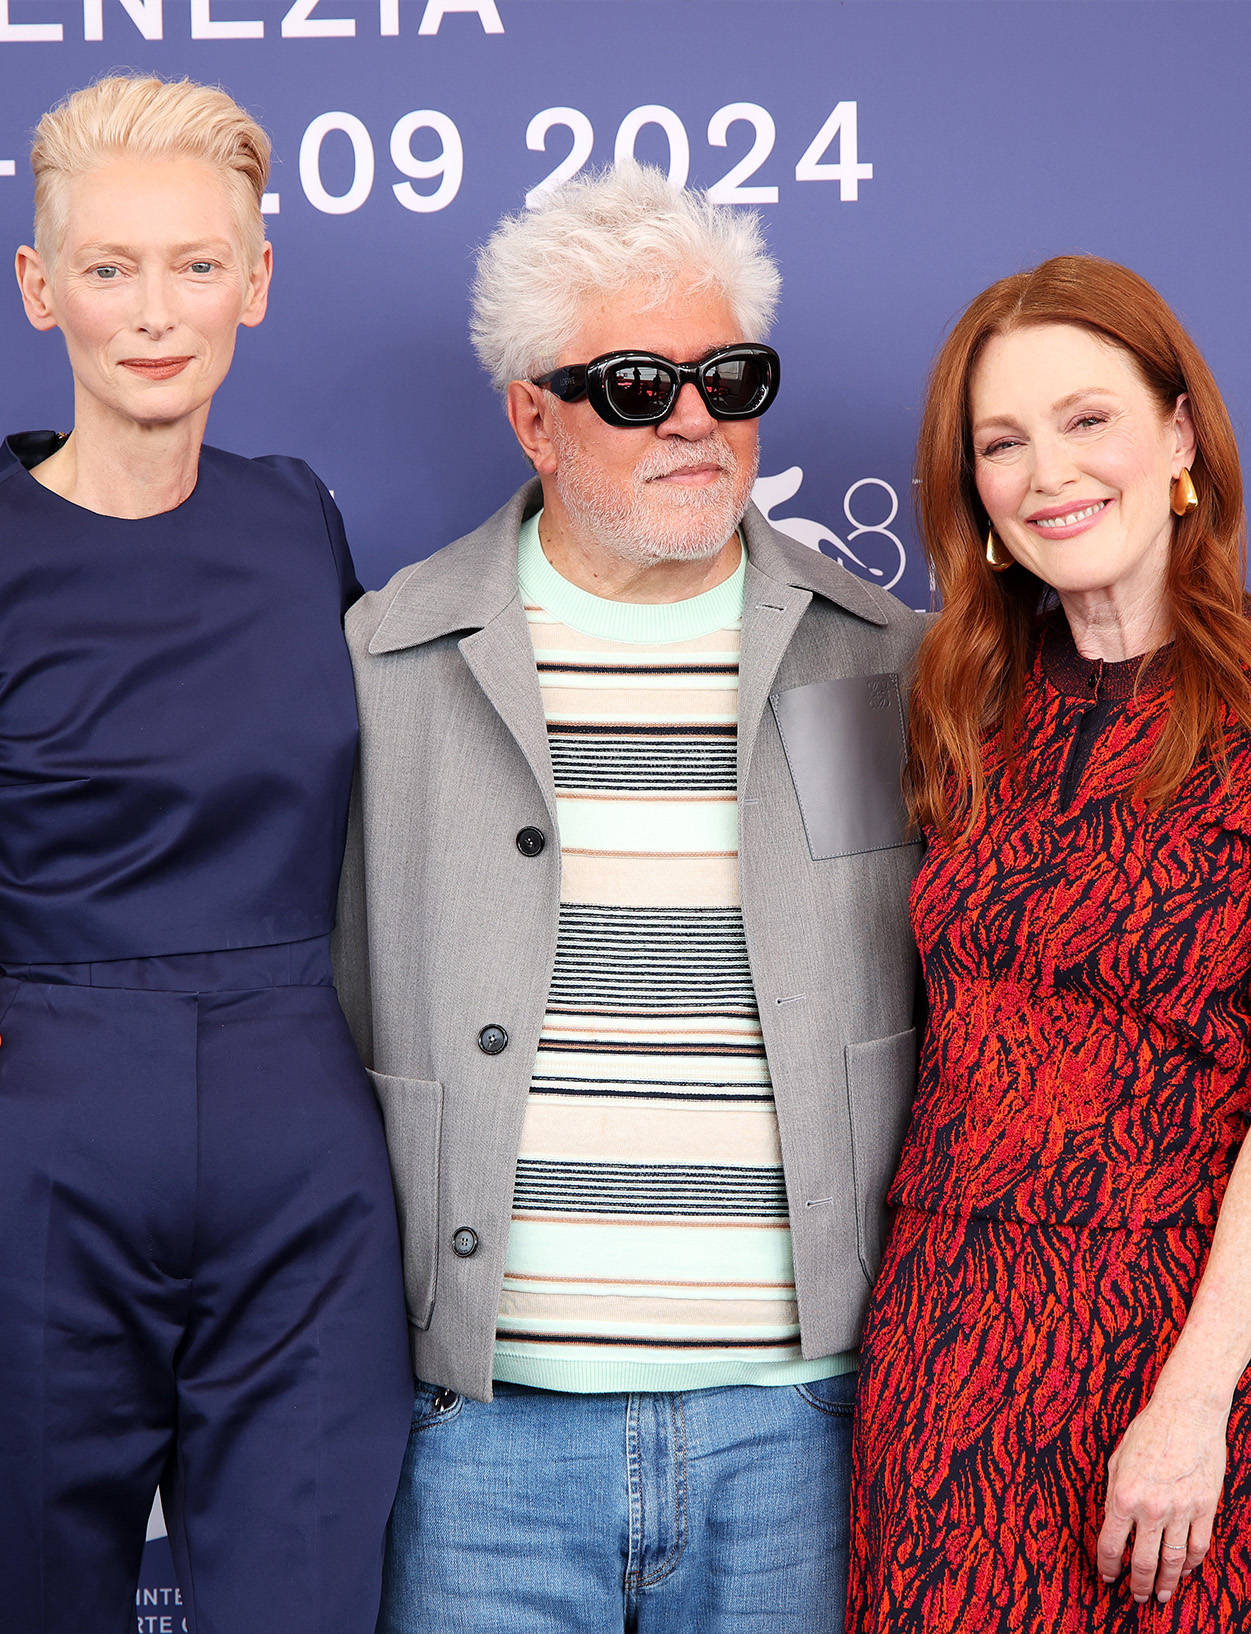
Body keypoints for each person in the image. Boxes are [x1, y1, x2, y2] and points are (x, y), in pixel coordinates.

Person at [333, 161, 926, 1634]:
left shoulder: (889, 662)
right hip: (484, 1434)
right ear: (532, 413)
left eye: (728, 375)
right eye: (634, 382)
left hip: (802, 1432)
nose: (693, 418)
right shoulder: (382, 660)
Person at [0, 75, 411, 1634]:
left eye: (194, 264)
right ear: (42, 291)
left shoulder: (295, 517)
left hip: (300, 1156)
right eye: (109, 269)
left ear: (257, 277)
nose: (154, 313)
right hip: (41, 1150)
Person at [846, 255, 1251, 1633]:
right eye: (1003, 441)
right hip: (946, 1347)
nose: (1049, 469)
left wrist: (1192, 1399)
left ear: (1176, 436)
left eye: (1087, 418)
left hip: (1188, 1346)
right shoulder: (962, 707)